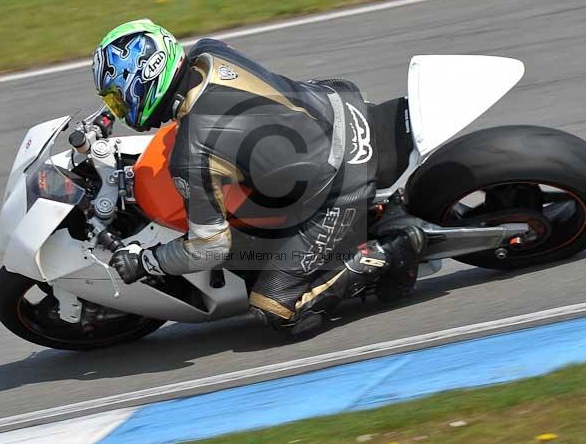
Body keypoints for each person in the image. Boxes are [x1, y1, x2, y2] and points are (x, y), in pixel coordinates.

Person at [93, 18, 425, 336]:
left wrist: (146, 261)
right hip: (338, 103)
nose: (119, 109)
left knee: (276, 308)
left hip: (342, 180)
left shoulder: (192, 153)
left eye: (118, 98)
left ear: (144, 78)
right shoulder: (207, 53)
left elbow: (209, 248)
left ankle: (388, 251)